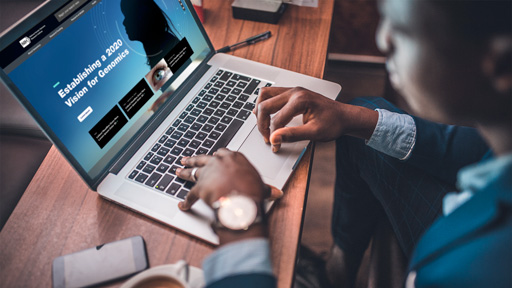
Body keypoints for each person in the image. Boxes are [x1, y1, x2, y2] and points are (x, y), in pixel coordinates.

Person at [176, 0, 512, 287]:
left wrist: (238, 214)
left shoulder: (473, 273)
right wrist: (352, 118)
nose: (383, 40)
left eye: (404, 29)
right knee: (364, 115)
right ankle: (335, 274)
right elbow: (475, 149)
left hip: (451, 248)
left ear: (500, 65)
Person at [121, 0, 180, 68]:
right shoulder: (166, 44)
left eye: (128, 15)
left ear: (143, 15)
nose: (124, 22)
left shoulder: (169, 45)